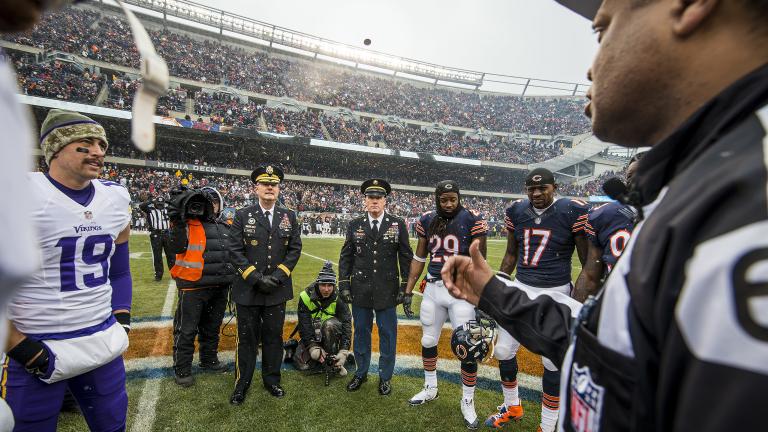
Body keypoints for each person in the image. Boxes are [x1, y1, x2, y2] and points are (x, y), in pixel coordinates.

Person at [443, 0, 768, 430]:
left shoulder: (744, 199)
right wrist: (493, 291)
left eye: (602, 32)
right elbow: (614, 343)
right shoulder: (703, 179)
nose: (591, 69)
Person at [3, 110, 132, 431]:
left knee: (113, 426)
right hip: (38, 342)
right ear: (55, 148)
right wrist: (21, 347)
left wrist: (123, 319)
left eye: (101, 144)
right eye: (85, 143)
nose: (98, 151)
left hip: (101, 339)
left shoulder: (114, 197)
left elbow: (118, 271)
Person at [488, 168, 588, 431]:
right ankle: (512, 406)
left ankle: (547, 424)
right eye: (531, 189)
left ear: (554, 187)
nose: (536, 193)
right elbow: (511, 254)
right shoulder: (517, 211)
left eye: (542, 188)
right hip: (521, 288)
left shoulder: (570, 210)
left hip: (556, 292)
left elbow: (587, 263)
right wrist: (498, 285)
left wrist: (576, 303)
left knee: (551, 362)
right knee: (502, 350)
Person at [402, 180, 488, 429]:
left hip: (461, 290)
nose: (449, 204)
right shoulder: (427, 219)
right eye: (444, 199)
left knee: (468, 347)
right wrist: (408, 290)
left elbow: (479, 260)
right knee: (428, 340)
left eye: (453, 199)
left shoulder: (472, 218)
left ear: (459, 197)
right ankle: (430, 387)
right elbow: (419, 257)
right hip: (433, 288)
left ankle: (468, 400)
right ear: (436, 199)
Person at [228, 165, 302, 404]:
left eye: (274, 184)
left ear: (279, 189)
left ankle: (272, 381)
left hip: (276, 290)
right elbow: (234, 250)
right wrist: (255, 278)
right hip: (248, 289)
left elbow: (294, 249)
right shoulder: (242, 214)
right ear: (256, 188)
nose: (270, 187)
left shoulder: (289, 216)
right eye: (265, 184)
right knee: (247, 339)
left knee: (273, 338)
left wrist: (278, 277)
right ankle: (242, 384)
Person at [338, 178, 412, 395]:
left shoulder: (398, 224)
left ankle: (385, 377)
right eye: (371, 197)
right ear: (365, 200)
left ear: (385, 201)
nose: (374, 201)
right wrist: (344, 284)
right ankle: (361, 372)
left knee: (388, 334)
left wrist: (404, 287)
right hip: (360, 289)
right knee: (361, 332)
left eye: (378, 198)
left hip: (387, 290)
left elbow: (406, 257)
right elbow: (346, 257)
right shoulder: (354, 224)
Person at [167, 186, 234, 386]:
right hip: (193, 287)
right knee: (186, 330)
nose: (211, 205)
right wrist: (177, 219)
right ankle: (182, 368)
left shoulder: (225, 225)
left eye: (214, 201)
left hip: (220, 286)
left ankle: (208, 359)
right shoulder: (187, 223)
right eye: (208, 201)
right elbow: (176, 246)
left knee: (212, 327)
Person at [573, 153, 643, 302]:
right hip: (614, 299)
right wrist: (577, 311)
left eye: (644, 173)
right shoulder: (605, 214)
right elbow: (591, 274)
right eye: (630, 176)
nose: (635, 180)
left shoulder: (679, 210)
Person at [292, 261, 352, 377]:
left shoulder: (340, 297)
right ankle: (313, 353)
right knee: (303, 366)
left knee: (330, 324)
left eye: (330, 285)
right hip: (313, 334)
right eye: (323, 285)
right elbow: (304, 325)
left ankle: (333, 357)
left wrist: (344, 350)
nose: (326, 289)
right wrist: (312, 346)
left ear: (334, 286)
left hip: (330, 333)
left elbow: (346, 324)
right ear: (317, 284)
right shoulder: (305, 296)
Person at [139, 195, 174, 281]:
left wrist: (167, 201)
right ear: (155, 204)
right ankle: (158, 275)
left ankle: (174, 274)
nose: (160, 205)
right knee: (157, 256)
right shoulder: (150, 210)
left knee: (171, 255)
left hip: (167, 233)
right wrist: (152, 201)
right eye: (158, 204)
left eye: (161, 204)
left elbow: (175, 205)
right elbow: (142, 206)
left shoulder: (168, 209)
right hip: (156, 234)